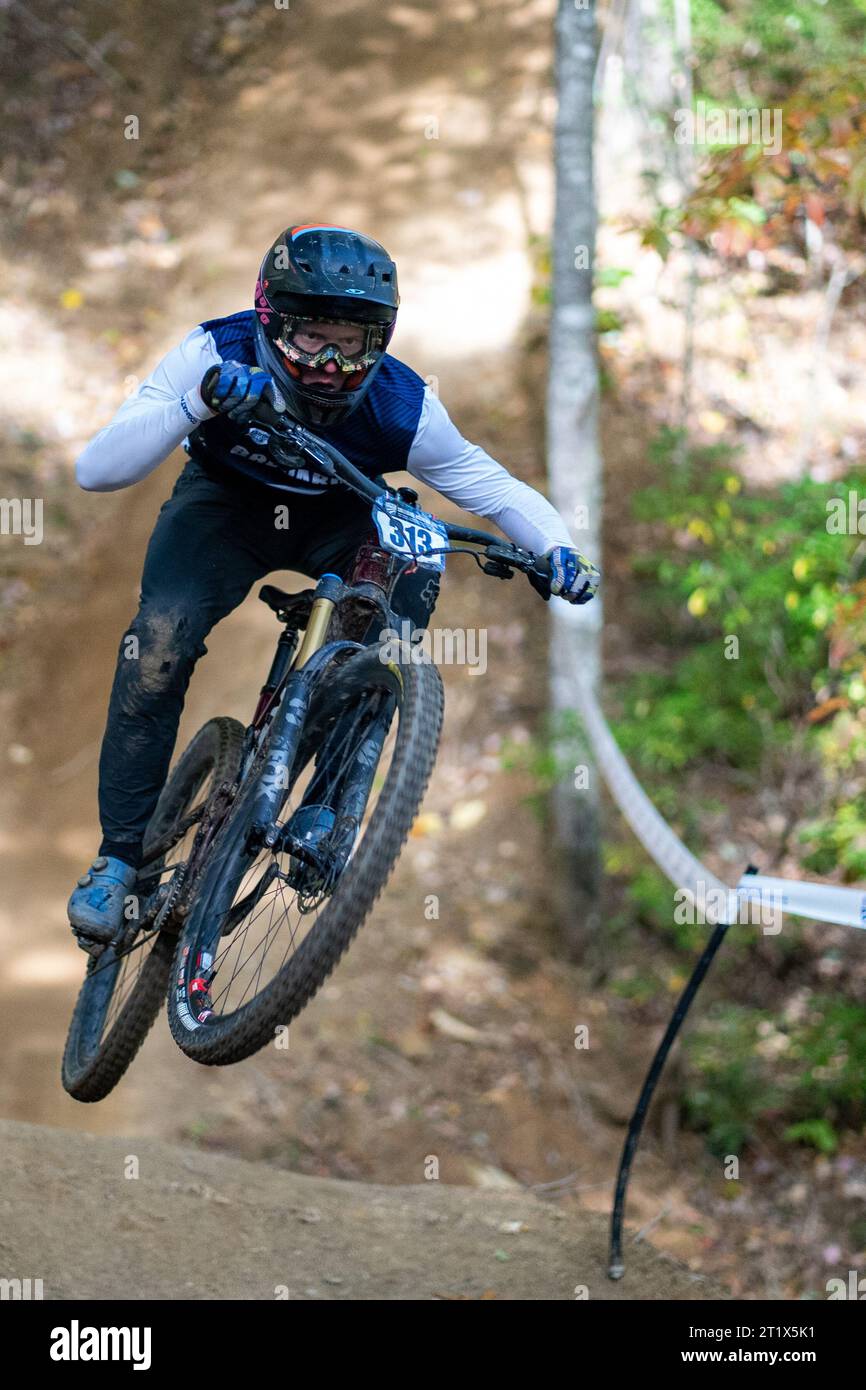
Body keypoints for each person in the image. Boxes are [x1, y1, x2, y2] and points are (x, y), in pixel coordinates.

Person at [67, 223, 600, 946]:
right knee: (157, 646)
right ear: (269, 320)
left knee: (414, 563)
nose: (328, 361)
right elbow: (97, 471)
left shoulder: (400, 404)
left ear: (378, 340)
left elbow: (494, 488)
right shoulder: (212, 351)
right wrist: (200, 401)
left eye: (351, 342)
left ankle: (325, 801)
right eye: (311, 336)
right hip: (223, 508)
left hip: (343, 513)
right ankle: (117, 861)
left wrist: (558, 550)